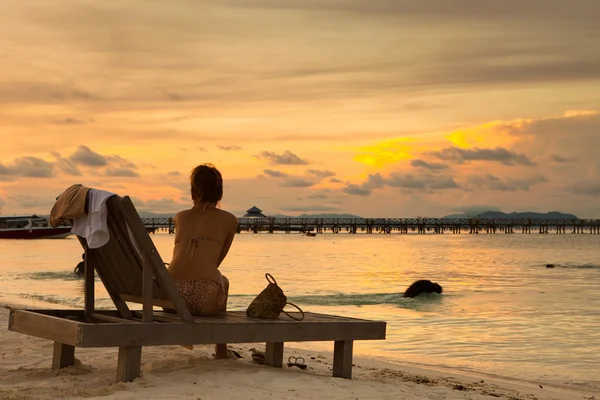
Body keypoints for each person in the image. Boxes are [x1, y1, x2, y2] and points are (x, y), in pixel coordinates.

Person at [166, 163, 238, 359]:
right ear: (220, 194)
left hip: (170, 296)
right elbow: (216, 261)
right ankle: (221, 350)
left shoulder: (180, 217)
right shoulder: (230, 220)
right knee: (224, 281)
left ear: (192, 193)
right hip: (205, 299)